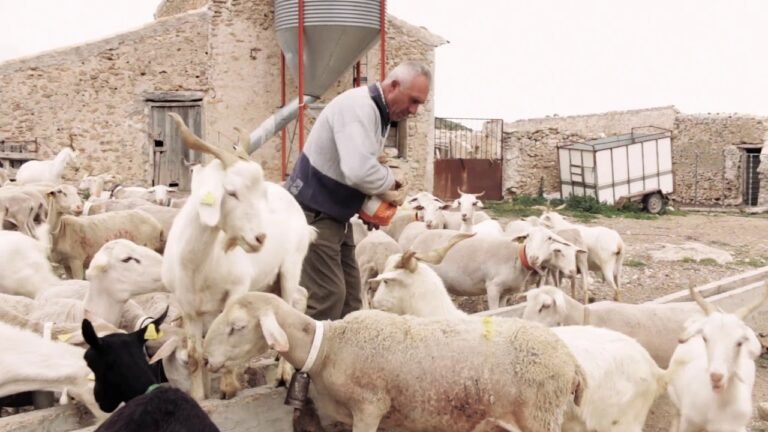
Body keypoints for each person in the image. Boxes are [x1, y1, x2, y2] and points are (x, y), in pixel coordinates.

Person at [284, 61, 432, 322]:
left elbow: (351, 168)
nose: (414, 110)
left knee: (351, 301)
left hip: (334, 215)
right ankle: (301, 362)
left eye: (419, 104)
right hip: (314, 214)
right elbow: (357, 170)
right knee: (327, 296)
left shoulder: (378, 112)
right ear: (394, 85)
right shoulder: (359, 108)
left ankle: (340, 360)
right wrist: (390, 184)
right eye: (413, 101)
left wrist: (365, 205)